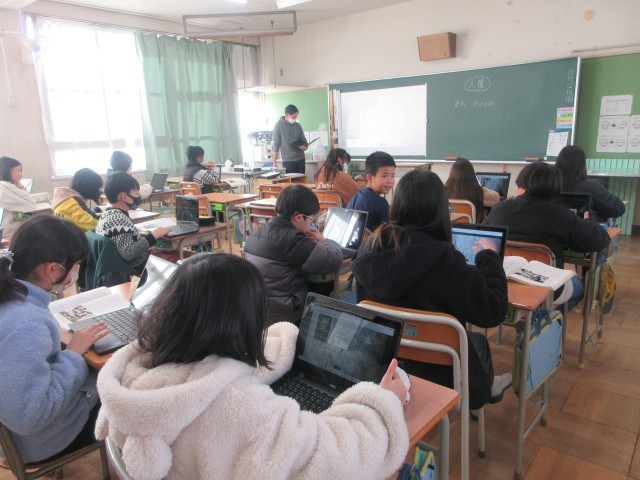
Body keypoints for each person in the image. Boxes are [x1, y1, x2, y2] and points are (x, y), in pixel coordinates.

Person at [95, 253, 408, 480]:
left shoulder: (137, 373)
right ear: (242, 321)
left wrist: (283, 346)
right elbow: (336, 460)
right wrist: (380, 403)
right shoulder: (244, 412)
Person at [352, 169, 511, 410]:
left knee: (468, 339)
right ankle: (485, 389)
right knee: (477, 341)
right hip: (441, 377)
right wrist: (489, 258)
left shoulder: (370, 246)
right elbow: (494, 310)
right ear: (440, 210)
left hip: (386, 366)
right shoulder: (446, 261)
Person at [0, 216, 110, 463]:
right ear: (52, 269)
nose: (76, 271)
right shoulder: (26, 325)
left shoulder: (12, 295)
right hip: (38, 443)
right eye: (76, 265)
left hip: (20, 434)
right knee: (122, 391)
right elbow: (29, 418)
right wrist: (72, 355)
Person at [487, 161, 610, 309]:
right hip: (547, 286)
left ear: (522, 181)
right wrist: (589, 221)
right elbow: (598, 240)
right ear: (556, 186)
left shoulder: (498, 209)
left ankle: (536, 317)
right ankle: (548, 318)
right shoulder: (560, 214)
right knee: (579, 287)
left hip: (503, 279)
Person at [243, 185, 343, 324]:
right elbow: (333, 260)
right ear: (298, 217)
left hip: (256, 308)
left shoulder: (256, 233)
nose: (311, 223)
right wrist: (324, 240)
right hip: (284, 314)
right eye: (311, 219)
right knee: (324, 286)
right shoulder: (293, 240)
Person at [96, 172, 171, 275]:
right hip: (130, 270)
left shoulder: (109, 214)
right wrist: (153, 236)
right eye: (136, 194)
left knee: (159, 252)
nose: (138, 197)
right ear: (124, 197)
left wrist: (145, 246)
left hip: (118, 266)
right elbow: (128, 253)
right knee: (171, 257)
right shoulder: (118, 219)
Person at [555, 145, 625, 223]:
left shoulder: (550, 185)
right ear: (582, 166)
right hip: (583, 229)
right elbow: (618, 208)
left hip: (554, 228)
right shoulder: (591, 187)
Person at [347, 151, 396, 232]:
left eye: (392, 176)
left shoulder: (358, 195)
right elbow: (390, 234)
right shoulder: (380, 203)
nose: (390, 181)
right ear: (369, 177)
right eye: (385, 176)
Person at [445, 158, 499, 223]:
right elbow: (497, 198)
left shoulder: (443, 190)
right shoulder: (478, 191)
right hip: (470, 227)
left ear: (452, 173)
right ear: (472, 174)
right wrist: (480, 188)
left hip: (449, 227)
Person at [0, 156, 38, 239]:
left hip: (6, 230)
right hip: (9, 233)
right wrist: (20, 186)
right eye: (19, 170)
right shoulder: (5, 186)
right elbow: (31, 204)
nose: (21, 174)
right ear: (8, 170)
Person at [272, 104, 308, 174]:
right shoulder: (278, 126)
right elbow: (276, 144)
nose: (295, 119)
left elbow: (304, 141)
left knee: (301, 179)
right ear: (287, 115)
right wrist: (274, 161)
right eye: (294, 117)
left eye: (296, 116)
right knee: (290, 179)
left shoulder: (297, 126)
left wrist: (305, 147)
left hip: (300, 158)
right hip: (288, 160)